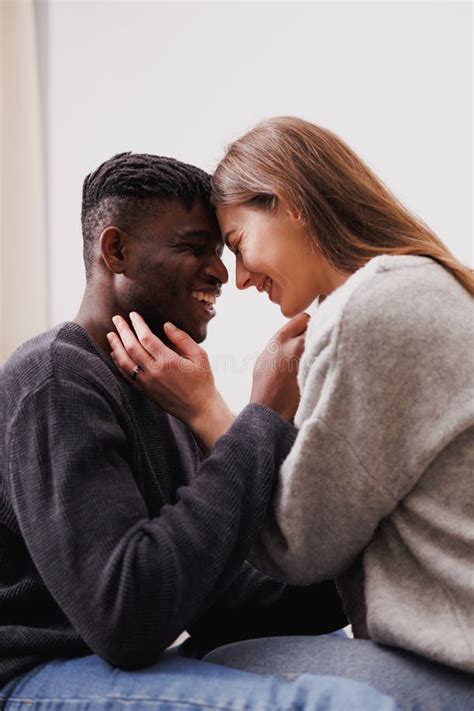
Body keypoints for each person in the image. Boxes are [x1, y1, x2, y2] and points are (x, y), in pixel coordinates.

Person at [0, 152, 399, 710]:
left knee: (402, 681)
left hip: (143, 656)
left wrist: (356, 535)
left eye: (221, 250)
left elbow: (222, 590)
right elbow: (127, 617)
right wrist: (261, 415)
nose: (221, 273)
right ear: (116, 251)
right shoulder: (57, 380)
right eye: (194, 248)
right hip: (38, 673)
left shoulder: (162, 386)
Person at [108, 119, 474, 711]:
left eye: (236, 243)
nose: (243, 277)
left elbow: (296, 548)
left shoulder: (377, 309)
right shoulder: (416, 287)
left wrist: (212, 412)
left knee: (216, 662)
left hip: (456, 669)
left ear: (287, 203)